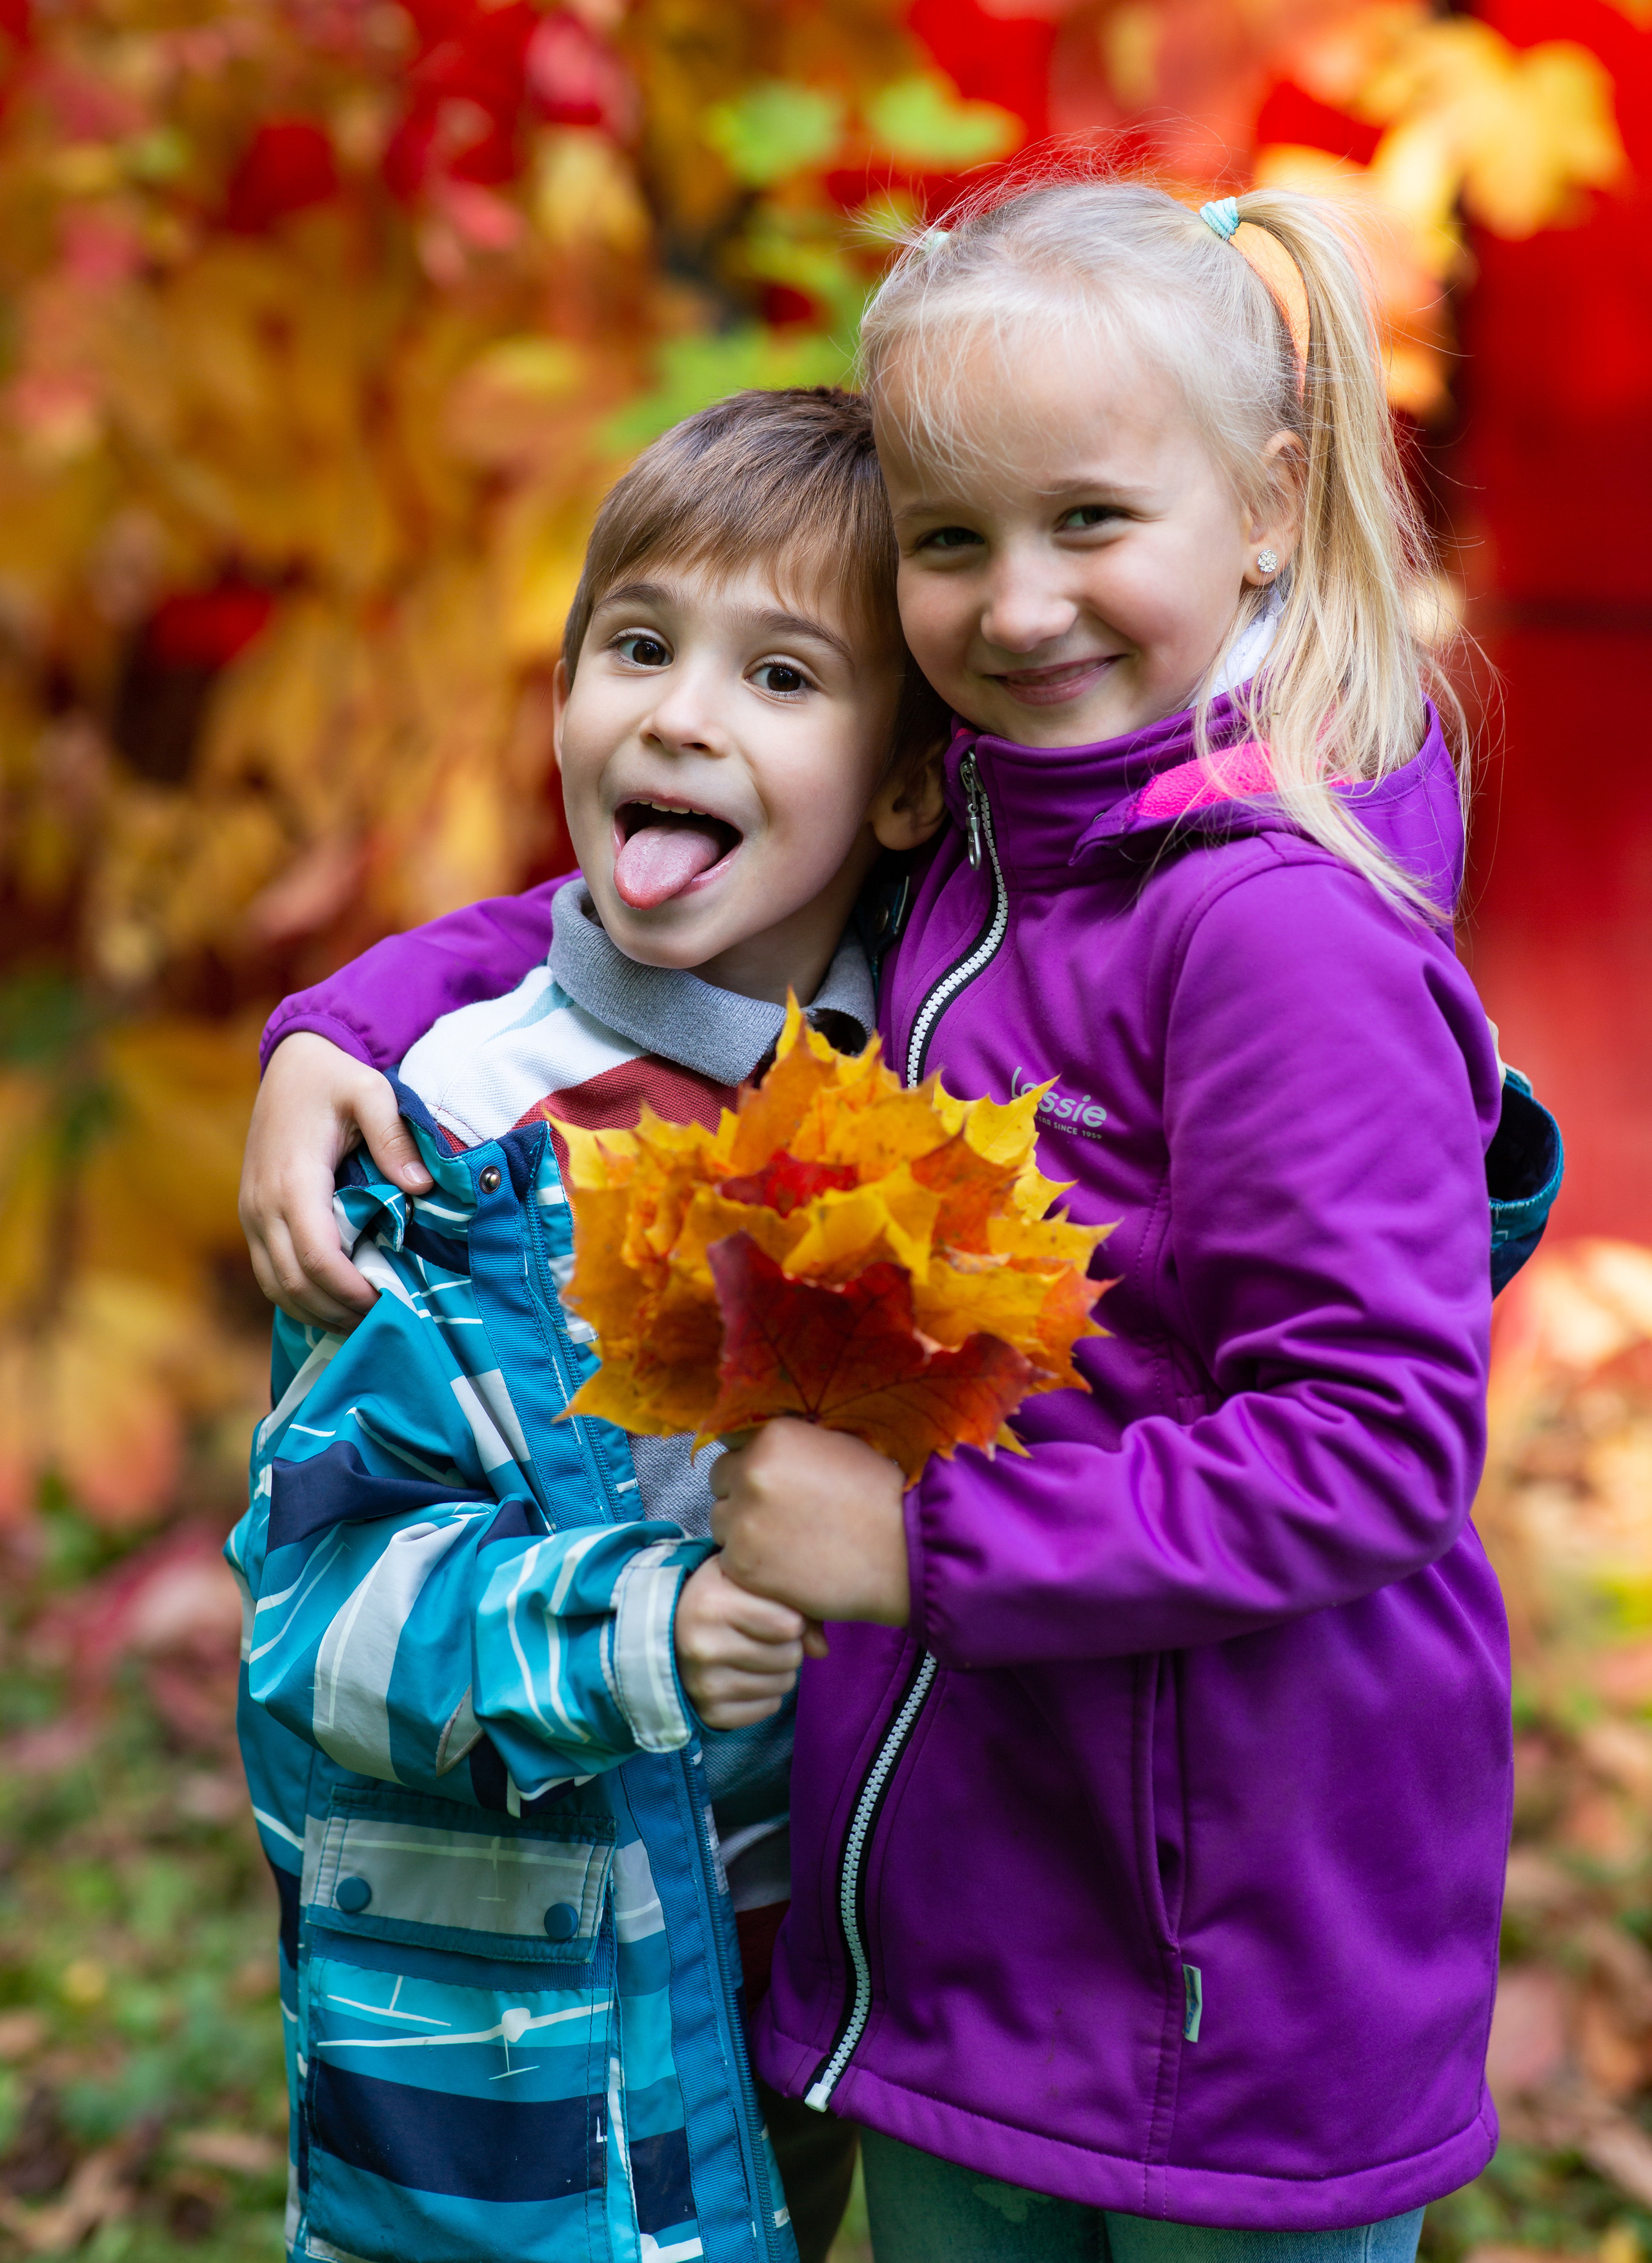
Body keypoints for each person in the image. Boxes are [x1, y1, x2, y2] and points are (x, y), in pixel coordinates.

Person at [242, 177, 1558, 2263]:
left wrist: (916, 1549)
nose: (1020, 606)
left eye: (1089, 522)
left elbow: (1379, 1443)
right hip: (950, 1943)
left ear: (1263, 506)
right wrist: (345, 1019)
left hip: (1228, 1959)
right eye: (951, 543)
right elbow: (658, 919)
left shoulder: (1272, 934)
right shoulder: (975, 858)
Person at [230, 384, 946, 2263]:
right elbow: (317, 1615)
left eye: (779, 676)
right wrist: (632, 1630)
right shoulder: (458, 1134)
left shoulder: (938, 1080)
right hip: (524, 2014)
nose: (681, 714)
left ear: (903, 784)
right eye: (636, 647)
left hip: (819, 1968)